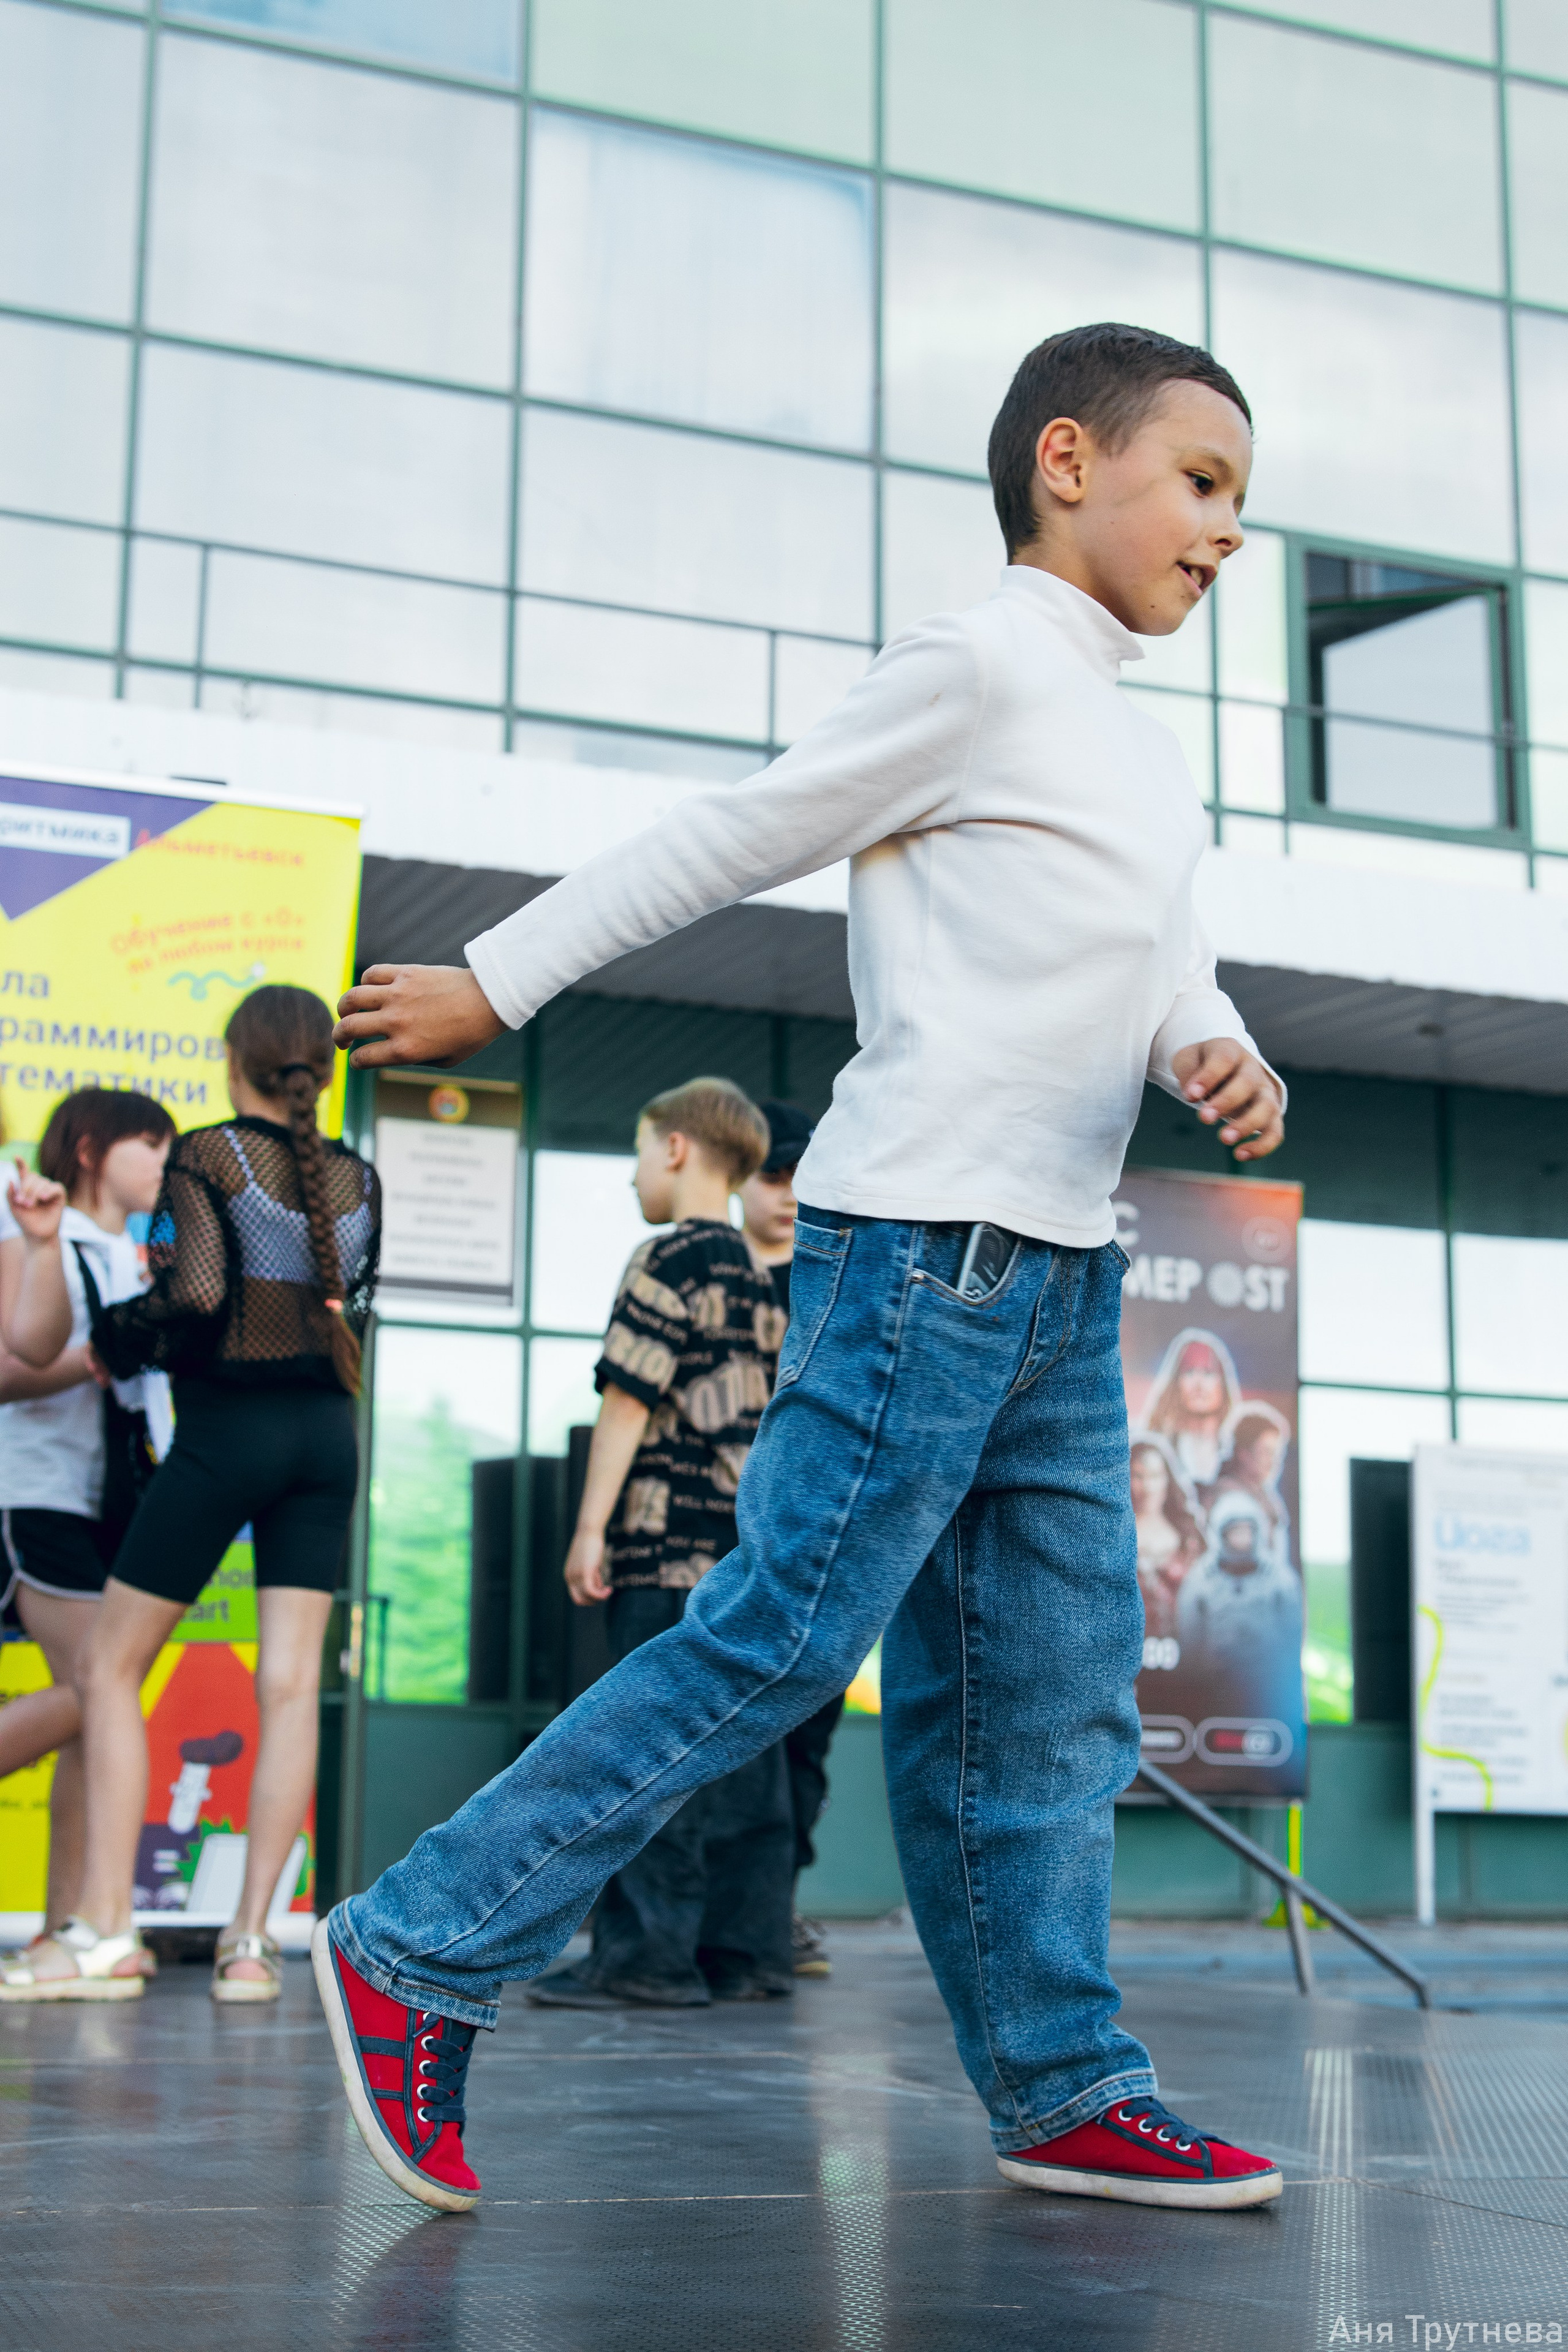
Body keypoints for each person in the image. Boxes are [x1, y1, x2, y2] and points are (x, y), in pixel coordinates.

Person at [321, 321, 1289, 2216]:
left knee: (1046, 1698)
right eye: (1203, 485)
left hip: (1063, 1283)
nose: (1226, 534)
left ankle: (1060, 2076)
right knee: (775, 1638)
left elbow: (1165, 957)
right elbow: (732, 831)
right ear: (1067, 463)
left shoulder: (1145, 750)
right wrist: (499, 978)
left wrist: (1209, 1041)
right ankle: (414, 1946)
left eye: (1242, 504)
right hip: (916, 1251)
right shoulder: (972, 665)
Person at [0, 986, 379, 2004]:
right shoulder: (356, 1175)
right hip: (327, 1437)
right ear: (320, 1069)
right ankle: (252, 1943)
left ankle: (106, 1931)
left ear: (234, 1061)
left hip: (226, 1436)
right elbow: (346, 1300)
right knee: (292, 1687)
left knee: (112, 1669)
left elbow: (197, 1293)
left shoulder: (208, 1155)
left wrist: (116, 1343)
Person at [531, 1077, 796, 2009]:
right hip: (742, 1563)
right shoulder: (765, 1287)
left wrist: (590, 1527)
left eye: (643, 1152)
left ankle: (644, 1959)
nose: (638, 1174)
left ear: (679, 1148)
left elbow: (628, 1402)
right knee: (747, 1761)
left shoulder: (666, 1259)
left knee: (649, 1757)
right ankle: (749, 1953)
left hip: (662, 1549)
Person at [0, 1091, 175, 1989]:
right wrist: (99, 1359)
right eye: (154, 1145)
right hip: (40, 1492)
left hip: (118, 1501)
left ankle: (60, 1929)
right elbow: (5, 1368)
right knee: (94, 1690)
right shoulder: (34, 1225)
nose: (165, 1162)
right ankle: (74, 1928)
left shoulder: (145, 1258)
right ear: (93, 1148)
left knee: (95, 1708)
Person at [739, 1099, 844, 1979]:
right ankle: (727, 1926)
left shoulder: (833, 1285)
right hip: (724, 1544)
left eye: (802, 1180)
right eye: (773, 1176)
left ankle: (779, 1910)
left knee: (805, 1755)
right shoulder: (710, 1275)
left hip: (821, 1547)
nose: (787, 1196)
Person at [1129, 1436, 1204, 1643]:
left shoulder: (1190, 1537)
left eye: (1155, 1476)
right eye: (1138, 1475)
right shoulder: (1109, 1537)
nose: (1148, 1486)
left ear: (1168, 1480)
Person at [1143, 1331, 1242, 1487]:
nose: (1199, 1384)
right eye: (1189, 1372)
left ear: (1222, 1384)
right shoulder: (1156, 1450)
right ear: (1176, 1383)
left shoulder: (1238, 1453)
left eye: (1208, 1373)